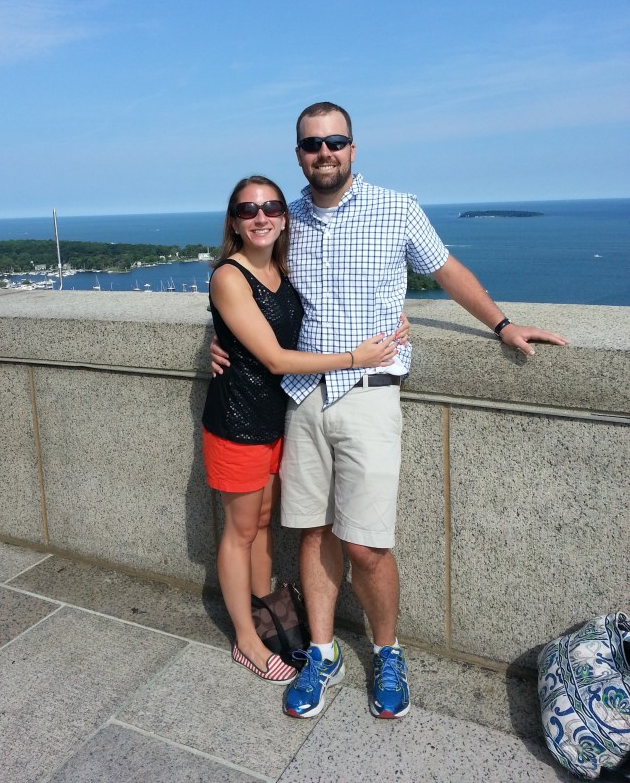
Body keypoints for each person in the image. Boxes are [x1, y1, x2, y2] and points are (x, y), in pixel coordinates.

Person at [211, 104, 569, 718]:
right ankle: (322, 651)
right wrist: (218, 340)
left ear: (353, 148)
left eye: (335, 141)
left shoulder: (396, 208)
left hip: (371, 393)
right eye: (312, 144)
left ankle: (387, 651)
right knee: (314, 532)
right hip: (302, 398)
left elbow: (446, 270)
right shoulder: (285, 217)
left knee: (368, 545)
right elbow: (245, 277)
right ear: (298, 154)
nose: (325, 152)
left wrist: (502, 324)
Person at [202, 174, 405, 686]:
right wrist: (356, 358)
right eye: (248, 210)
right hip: (238, 421)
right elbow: (274, 357)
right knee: (240, 531)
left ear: (284, 216)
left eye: (271, 207)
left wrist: (392, 318)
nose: (261, 217)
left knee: (262, 523)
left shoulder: (281, 267)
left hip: (278, 417)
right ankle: (246, 640)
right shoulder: (229, 275)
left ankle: (267, 615)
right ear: (233, 222)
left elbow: (327, 306)